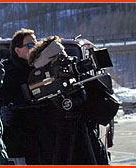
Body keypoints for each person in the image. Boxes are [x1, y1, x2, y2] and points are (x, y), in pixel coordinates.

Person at [28, 35, 111, 165]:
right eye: (61, 56)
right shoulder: (47, 106)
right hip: (67, 143)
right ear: (51, 64)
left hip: (87, 140)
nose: (67, 59)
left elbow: (105, 110)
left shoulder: (78, 84)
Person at [0, 28, 56, 165]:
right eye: (30, 45)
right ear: (17, 50)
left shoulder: (41, 69)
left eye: (36, 43)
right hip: (20, 139)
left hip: (43, 136)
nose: (35, 47)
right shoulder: (8, 74)